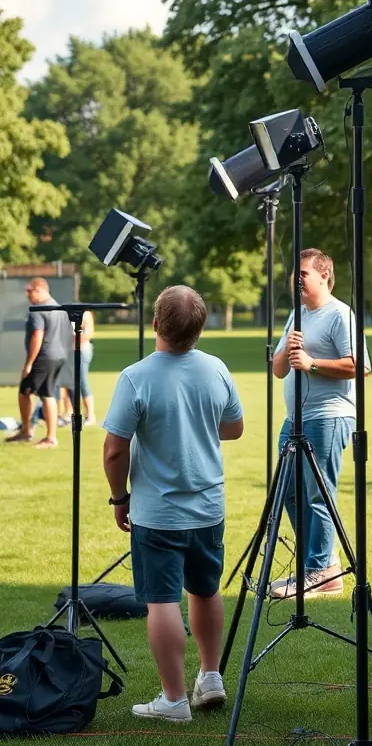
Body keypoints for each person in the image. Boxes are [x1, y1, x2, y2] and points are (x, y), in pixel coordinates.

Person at [102, 285, 244, 723]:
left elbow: (113, 449)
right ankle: (212, 675)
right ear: (200, 327)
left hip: (158, 511)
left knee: (162, 600)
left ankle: (174, 698)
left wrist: (119, 497)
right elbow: (234, 428)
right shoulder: (216, 368)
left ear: (156, 324)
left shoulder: (136, 376)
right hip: (208, 508)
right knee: (205, 589)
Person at [272, 248, 369, 599]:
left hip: (329, 416)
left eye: (303, 273)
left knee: (318, 494)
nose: (296, 279)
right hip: (294, 419)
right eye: (293, 274)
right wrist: (288, 351)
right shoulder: (296, 314)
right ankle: (323, 566)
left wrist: (312, 364)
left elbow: (360, 365)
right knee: (288, 493)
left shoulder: (340, 314)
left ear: (325, 275)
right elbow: (279, 368)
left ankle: (318, 572)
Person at [6, 277, 71, 449]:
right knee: (47, 394)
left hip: (43, 357)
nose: (27, 294)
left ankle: (33, 433)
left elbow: (37, 337)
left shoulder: (38, 309)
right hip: (58, 356)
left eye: (30, 290)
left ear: (41, 290)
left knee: (26, 391)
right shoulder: (58, 306)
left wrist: (29, 364)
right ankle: (44, 435)